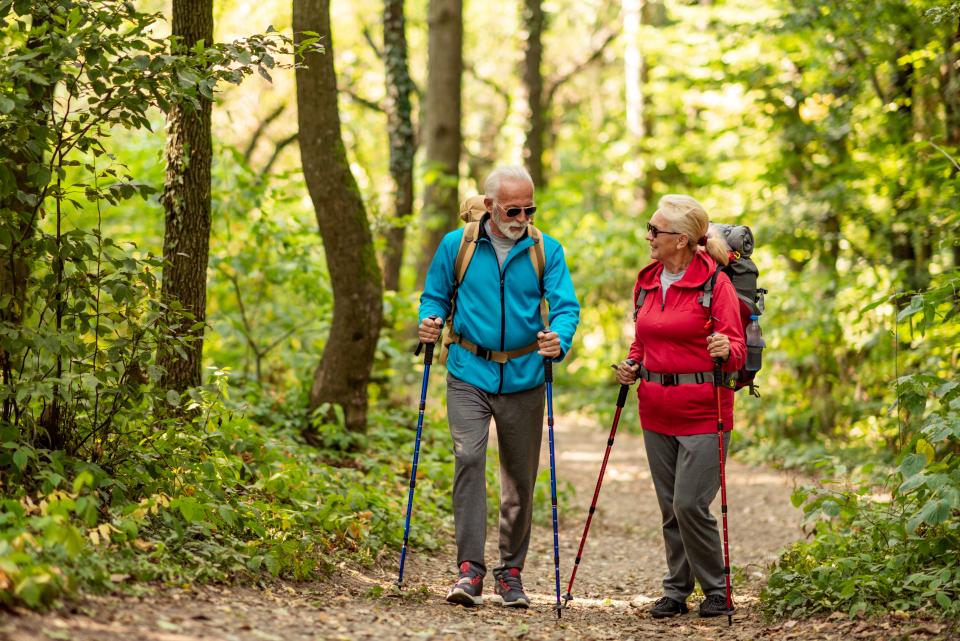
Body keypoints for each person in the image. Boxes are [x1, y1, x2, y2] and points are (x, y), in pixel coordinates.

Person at [418, 165, 580, 608]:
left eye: (530, 208)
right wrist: (429, 320)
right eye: (514, 209)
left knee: (519, 481)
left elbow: (566, 306)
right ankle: (469, 569)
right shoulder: (459, 246)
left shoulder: (546, 250)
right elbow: (435, 295)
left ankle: (511, 573)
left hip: (526, 376)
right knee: (468, 457)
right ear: (489, 206)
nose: (523, 216)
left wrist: (558, 338)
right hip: (469, 370)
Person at [615, 194, 746, 619]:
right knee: (670, 505)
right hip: (655, 408)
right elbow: (643, 337)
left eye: (657, 231)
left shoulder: (715, 283)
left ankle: (717, 588)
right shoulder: (648, 280)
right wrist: (632, 364)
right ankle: (676, 589)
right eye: (650, 229)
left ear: (684, 240)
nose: (649, 236)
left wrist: (727, 347)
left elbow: (738, 346)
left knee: (690, 504)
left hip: (705, 409)